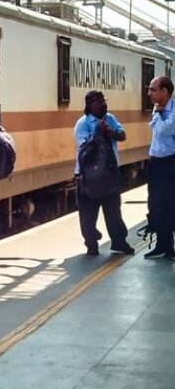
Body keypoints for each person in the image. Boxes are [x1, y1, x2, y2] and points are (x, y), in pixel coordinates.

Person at [73, 90, 134, 257]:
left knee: (114, 212)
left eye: (104, 101)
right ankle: (91, 244)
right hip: (87, 177)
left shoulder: (110, 119)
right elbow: (85, 149)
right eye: (99, 102)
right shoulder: (82, 124)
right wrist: (98, 133)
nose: (104, 104)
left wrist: (111, 132)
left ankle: (119, 241)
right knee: (88, 215)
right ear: (90, 105)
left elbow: (122, 135)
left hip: (109, 174)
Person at [145, 76, 175, 259]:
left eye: (153, 89)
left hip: (171, 163)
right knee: (156, 205)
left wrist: (156, 114)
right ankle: (162, 244)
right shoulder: (159, 109)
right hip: (156, 163)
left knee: (171, 204)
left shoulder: (169, 111)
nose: (149, 93)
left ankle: (170, 246)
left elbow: (165, 129)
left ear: (165, 91)